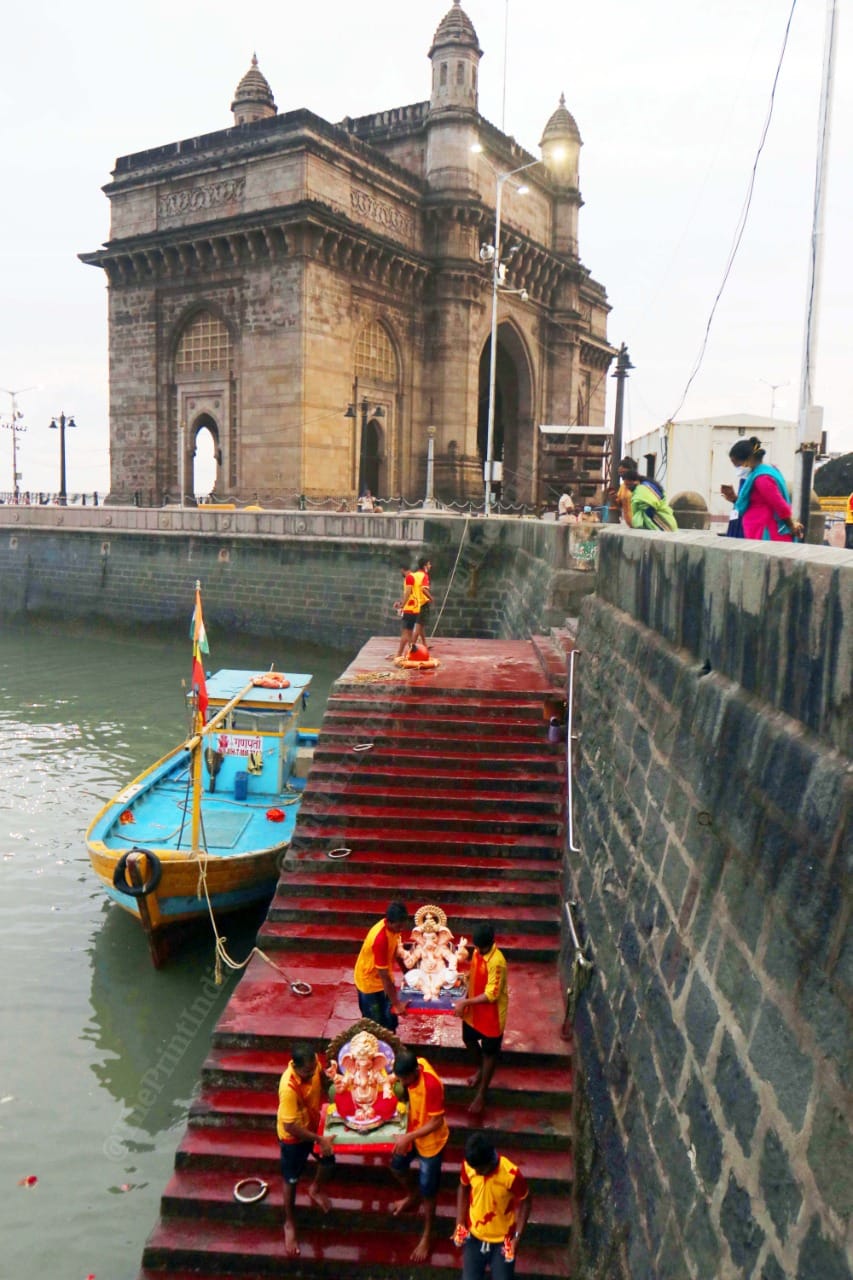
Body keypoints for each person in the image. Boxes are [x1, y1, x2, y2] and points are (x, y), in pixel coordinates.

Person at [388, 1048, 450, 1262]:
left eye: (404, 1079)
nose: (402, 1083)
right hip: (414, 1129)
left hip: (431, 1142)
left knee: (429, 1191)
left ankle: (427, 1234)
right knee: (397, 1166)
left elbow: (437, 1121)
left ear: (415, 1072)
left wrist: (408, 1137)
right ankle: (412, 1195)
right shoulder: (417, 1063)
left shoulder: (431, 1085)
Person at [277, 1042, 336, 1257]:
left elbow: (322, 1077)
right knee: (291, 1180)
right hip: (293, 1138)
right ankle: (289, 1223)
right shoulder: (288, 1088)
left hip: (314, 1125)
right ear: (295, 1066)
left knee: (328, 1161)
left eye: (313, 1069)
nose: (311, 1074)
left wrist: (331, 1076)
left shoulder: (314, 1064)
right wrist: (319, 1139)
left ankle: (315, 1189)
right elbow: (290, 1126)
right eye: (307, 1072)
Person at [454, 1131, 531, 1280]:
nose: (475, 1172)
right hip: (474, 1235)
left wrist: (517, 1238)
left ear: (489, 1162)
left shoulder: (511, 1175)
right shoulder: (470, 1164)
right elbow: (463, 1188)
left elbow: (526, 1201)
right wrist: (460, 1223)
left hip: (505, 1240)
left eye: (479, 1170)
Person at [452, 922, 508, 1114]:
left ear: (490, 945)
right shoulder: (477, 952)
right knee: (468, 1039)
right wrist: (464, 979)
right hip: (475, 1011)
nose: (477, 950)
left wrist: (465, 1003)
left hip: (492, 1015)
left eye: (480, 948)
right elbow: (475, 972)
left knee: (489, 1053)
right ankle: (481, 1070)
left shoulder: (497, 962)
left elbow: (492, 994)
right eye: (476, 947)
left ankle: (482, 1094)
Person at [723, 437, 803, 542]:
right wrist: (734, 499)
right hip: (759, 530)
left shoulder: (762, 478)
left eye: (737, 465)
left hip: (766, 531)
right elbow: (757, 501)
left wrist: (791, 525)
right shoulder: (763, 472)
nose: (737, 469)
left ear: (748, 459)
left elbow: (779, 505)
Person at [353, 900, 410, 1030]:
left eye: (403, 926)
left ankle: (390, 1038)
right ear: (389, 922)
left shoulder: (394, 929)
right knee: (374, 1023)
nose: (401, 929)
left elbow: (396, 951)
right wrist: (397, 1004)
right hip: (369, 983)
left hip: (382, 979)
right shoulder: (380, 939)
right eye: (399, 926)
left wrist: (407, 974)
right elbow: (384, 976)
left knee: (390, 1021)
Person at [396, 556, 432, 657]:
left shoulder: (410, 577)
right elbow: (411, 593)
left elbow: (408, 593)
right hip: (415, 607)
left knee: (407, 632)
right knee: (409, 632)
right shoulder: (415, 577)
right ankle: (410, 651)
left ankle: (408, 651)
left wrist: (402, 605)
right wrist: (400, 603)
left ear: (402, 570)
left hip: (410, 608)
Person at [608, 456, 638, 524]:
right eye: (620, 473)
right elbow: (619, 505)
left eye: (623, 472)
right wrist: (613, 498)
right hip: (629, 523)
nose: (621, 475)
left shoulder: (640, 485)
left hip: (640, 523)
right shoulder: (623, 486)